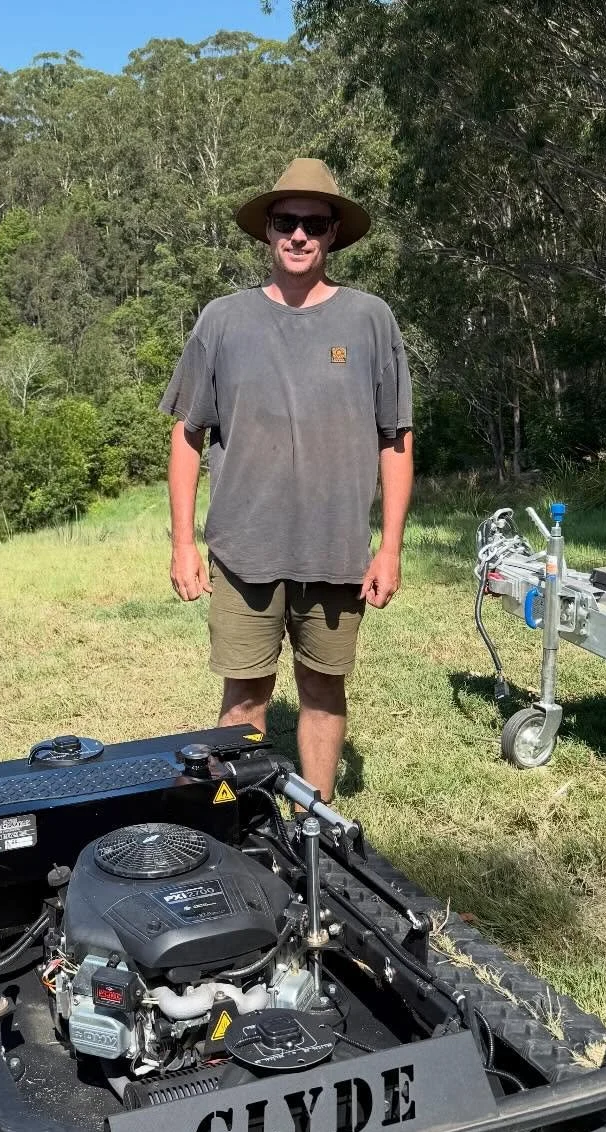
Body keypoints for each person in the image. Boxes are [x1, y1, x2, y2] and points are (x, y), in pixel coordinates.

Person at [161, 157, 414, 801]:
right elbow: (188, 435)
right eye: (285, 222)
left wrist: (389, 548)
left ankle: (317, 825)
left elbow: (397, 440)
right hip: (244, 550)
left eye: (313, 223)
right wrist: (183, 543)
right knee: (244, 694)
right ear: (267, 232)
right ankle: (232, 816)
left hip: (336, 552)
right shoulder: (222, 320)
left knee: (324, 689)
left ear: (333, 234)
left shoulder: (370, 320)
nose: (298, 236)